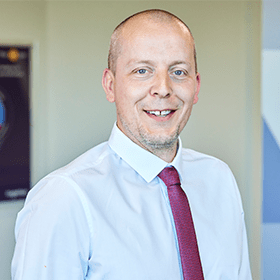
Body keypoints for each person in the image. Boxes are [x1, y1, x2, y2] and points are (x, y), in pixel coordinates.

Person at [11, 9, 252, 280]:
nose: (163, 88)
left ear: (195, 86)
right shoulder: (64, 199)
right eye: (142, 70)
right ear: (110, 85)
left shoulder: (220, 180)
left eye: (178, 71)